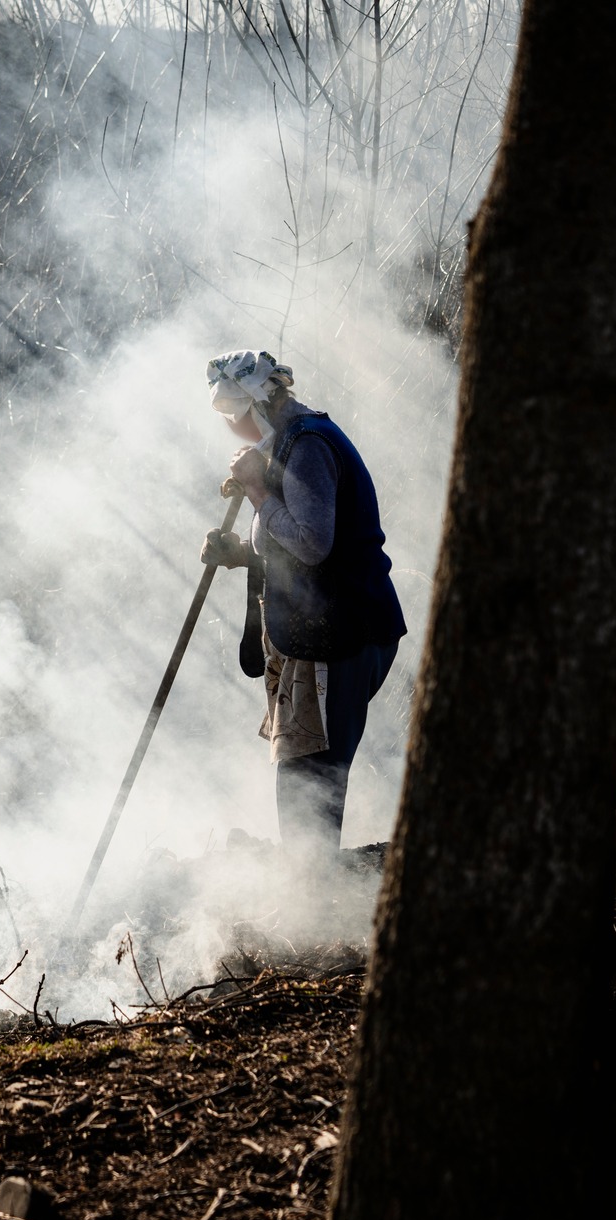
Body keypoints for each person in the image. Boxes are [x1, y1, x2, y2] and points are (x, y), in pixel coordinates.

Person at [199, 349, 408, 862]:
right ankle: (307, 889)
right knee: (302, 768)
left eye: (232, 416)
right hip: (325, 629)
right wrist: (241, 556)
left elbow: (314, 543)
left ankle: (313, 900)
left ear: (254, 404)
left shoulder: (308, 446)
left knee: (312, 773)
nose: (231, 427)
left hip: (342, 631)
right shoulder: (289, 442)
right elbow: (298, 549)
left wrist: (253, 489)